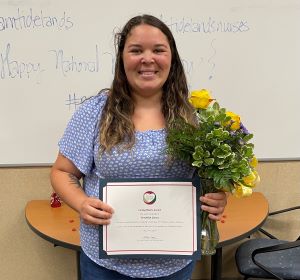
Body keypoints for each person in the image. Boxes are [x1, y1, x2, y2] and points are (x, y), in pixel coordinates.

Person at [50, 14, 227, 280]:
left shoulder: (195, 119)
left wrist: (218, 198)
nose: (147, 59)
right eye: (136, 50)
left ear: (172, 59)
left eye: (158, 50)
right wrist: (82, 203)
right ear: (122, 59)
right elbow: (62, 172)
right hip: (104, 265)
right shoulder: (94, 113)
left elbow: (211, 179)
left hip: (173, 265)